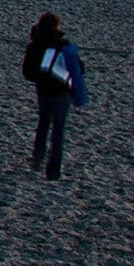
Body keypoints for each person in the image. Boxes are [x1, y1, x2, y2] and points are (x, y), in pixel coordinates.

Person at [23, 12, 87, 180]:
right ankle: (53, 170)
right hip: (61, 93)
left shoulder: (34, 44)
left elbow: (27, 72)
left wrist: (41, 78)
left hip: (43, 92)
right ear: (57, 25)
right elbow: (79, 68)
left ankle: (37, 159)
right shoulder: (62, 44)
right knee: (58, 131)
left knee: (42, 124)